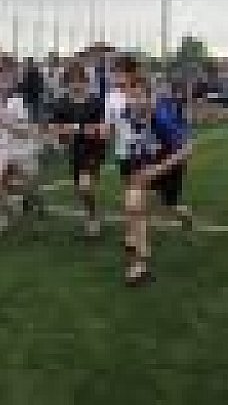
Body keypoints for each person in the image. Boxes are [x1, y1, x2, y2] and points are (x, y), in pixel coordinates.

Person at [105, 56, 193, 286]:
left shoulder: (162, 116)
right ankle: (140, 264)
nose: (135, 101)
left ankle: (185, 216)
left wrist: (156, 170)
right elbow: (133, 141)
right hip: (146, 162)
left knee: (171, 206)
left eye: (140, 96)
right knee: (134, 205)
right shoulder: (127, 114)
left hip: (171, 166)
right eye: (131, 96)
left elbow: (187, 150)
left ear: (149, 96)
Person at [50, 61, 106, 240]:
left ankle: (92, 218)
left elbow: (102, 127)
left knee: (85, 186)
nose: (76, 84)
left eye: (79, 80)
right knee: (82, 190)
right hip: (75, 151)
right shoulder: (62, 103)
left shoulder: (95, 102)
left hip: (93, 149)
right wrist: (65, 132)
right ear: (67, 83)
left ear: (86, 82)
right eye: (72, 81)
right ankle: (92, 212)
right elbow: (54, 127)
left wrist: (84, 129)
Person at [0, 54, 41, 231]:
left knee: (29, 182)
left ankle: (27, 200)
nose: (1, 75)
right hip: (3, 145)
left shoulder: (19, 100)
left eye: (4, 71)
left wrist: (5, 123)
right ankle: (5, 210)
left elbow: (24, 130)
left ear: (12, 75)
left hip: (22, 146)